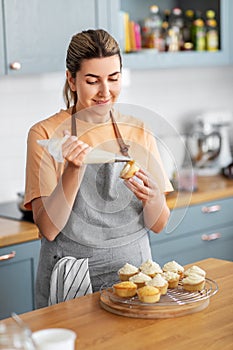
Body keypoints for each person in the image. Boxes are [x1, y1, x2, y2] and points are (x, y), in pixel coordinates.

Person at [24, 29, 173, 309]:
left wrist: (154, 199)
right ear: (72, 79)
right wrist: (72, 169)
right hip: (73, 280)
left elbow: (159, 223)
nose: (106, 92)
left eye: (114, 79)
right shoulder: (45, 134)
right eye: (93, 81)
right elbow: (49, 227)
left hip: (135, 277)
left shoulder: (138, 130)